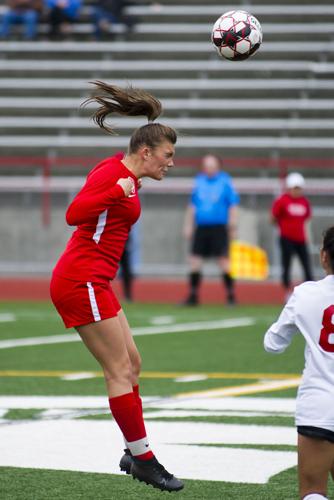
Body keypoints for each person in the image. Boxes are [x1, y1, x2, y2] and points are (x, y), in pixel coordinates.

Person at [50, 81, 184, 492]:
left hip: (97, 281)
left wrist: (121, 189)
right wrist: (115, 190)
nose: (171, 163)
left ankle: (133, 449)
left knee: (133, 363)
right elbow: (74, 214)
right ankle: (144, 459)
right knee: (119, 370)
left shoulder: (127, 177)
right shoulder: (115, 174)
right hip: (81, 280)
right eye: (167, 156)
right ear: (146, 152)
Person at [264, 226, 334, 500]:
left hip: (318, 405)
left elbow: (273, 343)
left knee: (313, 492)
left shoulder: (305, 294)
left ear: (324, 257)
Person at [182, 154, 239, 306]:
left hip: (219, 227)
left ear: (218, 166)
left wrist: (233, 226)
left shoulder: (225, 181)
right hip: (201, 227)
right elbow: (193, 205)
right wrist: (188, 225)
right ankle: (193, 295)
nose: (208, 168)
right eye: (206, 165)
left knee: (223, 261)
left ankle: (231, 295)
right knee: (194, 261)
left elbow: (233, 205)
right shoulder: (199, 181)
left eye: (211, 165)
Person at [271, 172, 313, 297]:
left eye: (299, 188)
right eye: (295, 188)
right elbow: (274, 217)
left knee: (306, 265)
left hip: (301, 239)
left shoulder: (304, 202)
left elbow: (307, 217)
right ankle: (287, 291)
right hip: (286, 239)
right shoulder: (282, 201)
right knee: (287, 265)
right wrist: (284, 228)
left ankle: (310, 292)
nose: (297, 191)